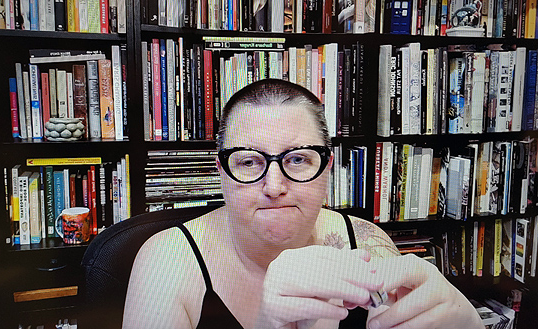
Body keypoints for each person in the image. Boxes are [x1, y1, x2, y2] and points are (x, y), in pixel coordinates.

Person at [122, 79, 484, 329]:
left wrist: (466, 322)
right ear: (222, 172)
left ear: (326, 168)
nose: (274, 186)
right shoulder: (167, 262)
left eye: (298, 159)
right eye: (248, 162)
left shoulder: (364, 240)